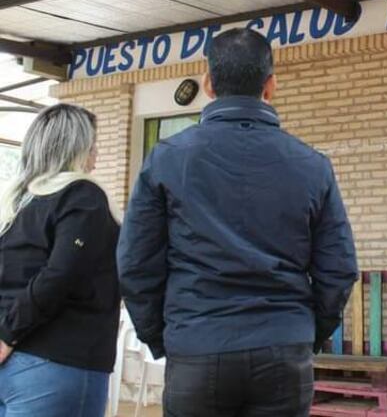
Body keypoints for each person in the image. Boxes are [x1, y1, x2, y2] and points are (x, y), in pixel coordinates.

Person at [118, 28, 358, 417]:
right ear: (271, 86)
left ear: (208, 84)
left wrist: (163, 336)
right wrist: (306, 332)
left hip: (197, 345)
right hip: (283, 348)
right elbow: (340, 268)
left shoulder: (167, 158)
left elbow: (134, 264)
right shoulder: (313, 165)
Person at [0, 104, 121, 417]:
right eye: (92, 145)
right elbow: (60, 273)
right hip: (58, 361)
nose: (95, 157)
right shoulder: (83, 196)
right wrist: (8, 332)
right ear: (75, 149)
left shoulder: (14, 203)